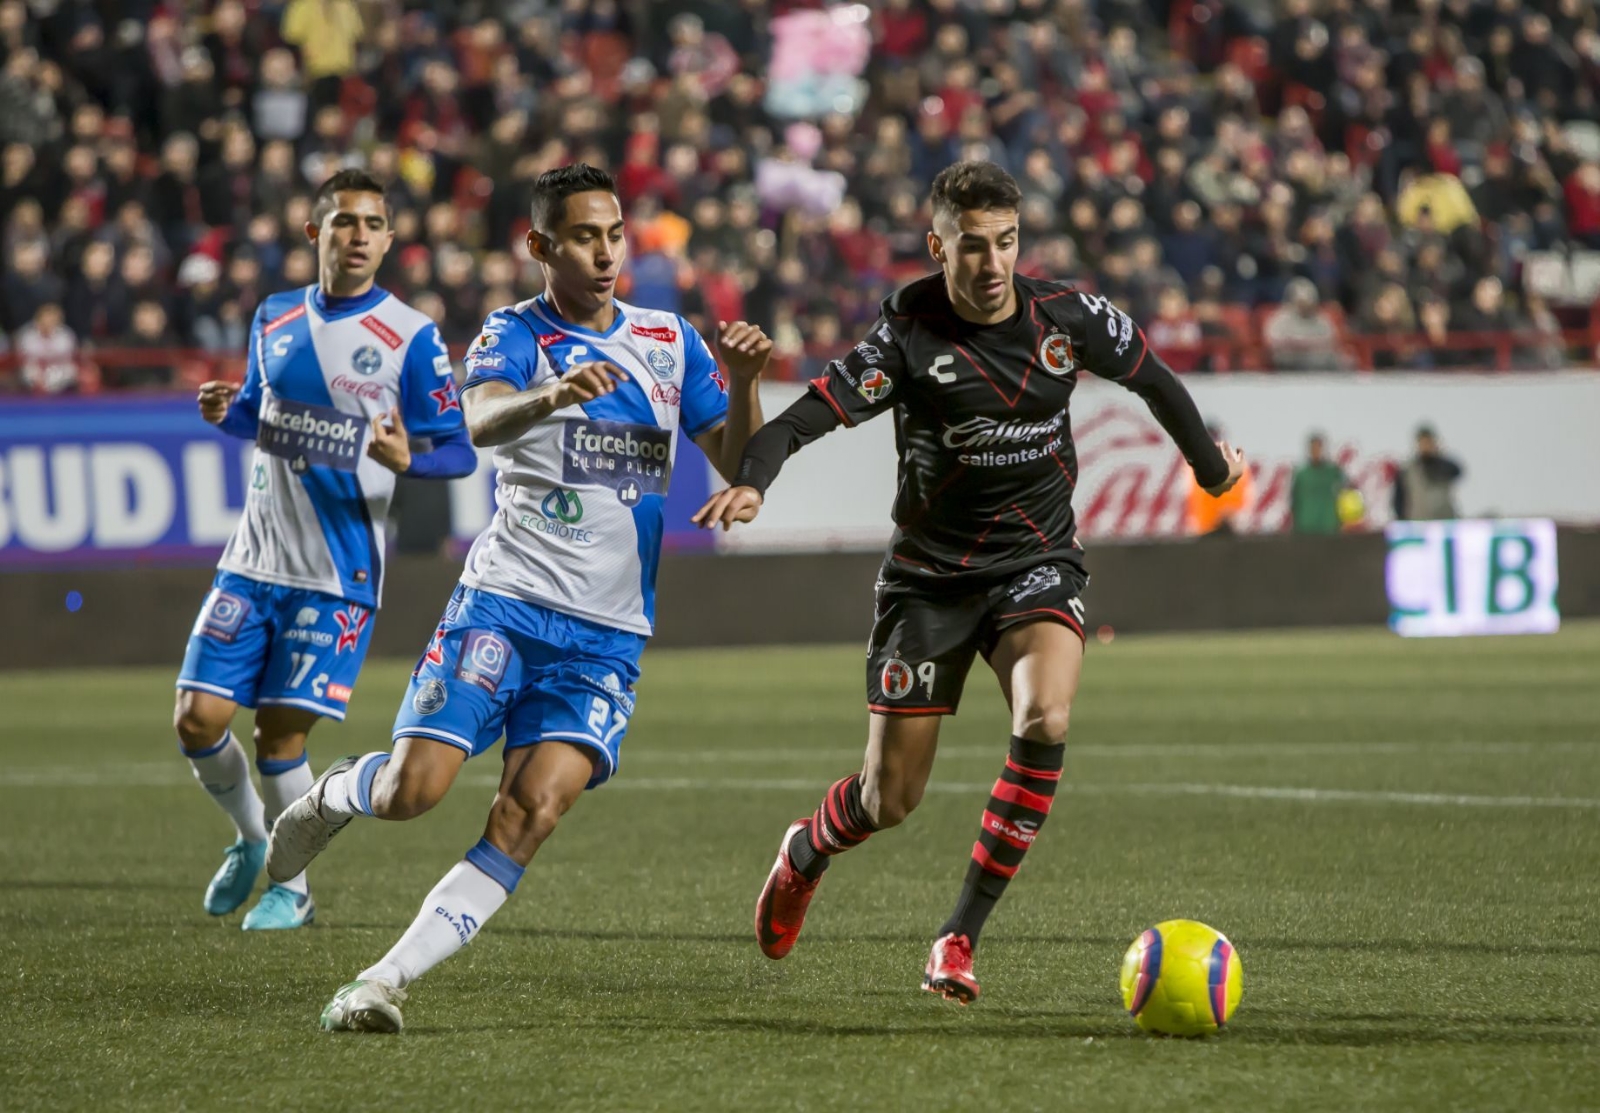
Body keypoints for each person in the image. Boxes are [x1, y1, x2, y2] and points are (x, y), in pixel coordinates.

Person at [694, 160, 1245, 1004]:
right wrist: (755, 480)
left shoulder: (1068, 318)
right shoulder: (907, 337)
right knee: (889, 799)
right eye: (973, 246)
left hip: (1036, 563)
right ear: (937, 246)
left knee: (1046, 714)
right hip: (928, 582)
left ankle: (958, 935)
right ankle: (806, 848)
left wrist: (1211, 471)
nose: (992, 264)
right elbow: (807, 415)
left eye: (1006, 243)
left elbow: (1156, 381)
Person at [264, 164, 772, 1033]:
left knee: (529, 812)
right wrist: (553, 394)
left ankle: (380, 982)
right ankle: (340, 794)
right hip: (504, 603)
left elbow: (734, 454)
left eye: (615, 234)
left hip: (607, 635)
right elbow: (482, 418)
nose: (607, 252)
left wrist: (743, 378)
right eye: (584, 236)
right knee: (414, 791)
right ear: (540, 245)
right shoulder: (515, 332)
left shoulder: (668, 337)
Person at [173, 169, 476, 932]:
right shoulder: (274, 317)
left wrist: (412, 459)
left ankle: (294, 887)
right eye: (345, 222)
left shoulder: (410, 335)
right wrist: (229, 409)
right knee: (195, 718)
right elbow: (261, 416)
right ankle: (250, 838)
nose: (359, 236)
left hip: (336, 573)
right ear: (317, 233)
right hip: (253, 557)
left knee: (280, 736)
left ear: (388, 238)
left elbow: (458, 451)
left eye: (373, 224)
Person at [1392, 424, 1463, 520]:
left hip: (1444, 522)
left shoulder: (1443, 466)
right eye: (1423, 443)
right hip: (1418, 524)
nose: (1426, 446)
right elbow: (1398, 499)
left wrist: (1437, 456)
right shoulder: (1408, 471)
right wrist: (1402, 520)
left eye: (1428, 442)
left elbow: (1457, 471)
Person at [1290, 432, 1353, 535]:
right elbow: (1294, 500)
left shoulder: (1334, 472)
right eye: (1313, 448)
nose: (1316, 452)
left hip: (1329, 527)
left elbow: (1347, 494)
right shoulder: (1302, 474)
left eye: (1318, 448)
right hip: (1306, 528)